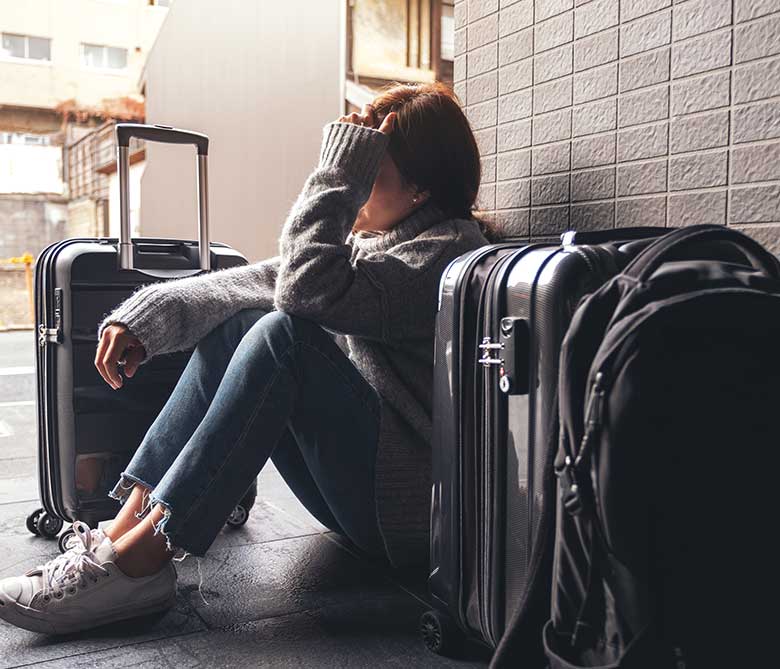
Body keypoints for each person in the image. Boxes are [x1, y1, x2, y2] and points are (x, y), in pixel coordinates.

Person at [0, 81, 494, 635]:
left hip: (401, 518)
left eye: (367, 177)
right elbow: (260, 281)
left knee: (284, 335)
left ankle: (145, 560)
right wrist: (146, 316)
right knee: (239, 321)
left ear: (421, 189)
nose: (353, 194)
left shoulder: (444, 256)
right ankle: (119, 537)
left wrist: (337, 174)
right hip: (362, 492)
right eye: (353, 177)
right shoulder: (385, 243)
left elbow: (301, 290)